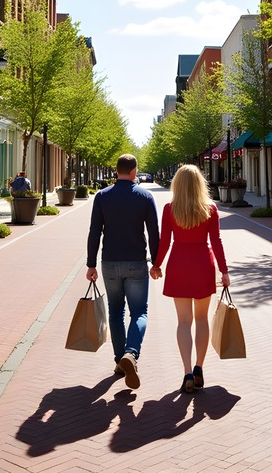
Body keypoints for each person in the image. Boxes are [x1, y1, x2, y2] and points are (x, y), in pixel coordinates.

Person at [150, 164, 230, 394]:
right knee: (202, 319)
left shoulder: (170, 209)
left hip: (179, 265)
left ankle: (186, 371)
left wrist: (156, 265)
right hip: (203, 264)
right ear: (199, 184)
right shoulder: (210, 209)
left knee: (183, 322)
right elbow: (216, 243)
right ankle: (199, 368)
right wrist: (224, 271)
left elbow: (165, 241)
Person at [86, 154, 159, 390]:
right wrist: (156, 262)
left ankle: (120, 361)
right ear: (135, 171)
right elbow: (154, 233)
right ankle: (131, 353)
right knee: (139, 312)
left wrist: (91, 264)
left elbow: (94, 231)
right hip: (136, 263)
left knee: (115, 312)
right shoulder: (145, 197)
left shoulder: (102, 196)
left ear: (116, 171)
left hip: (109, 262)